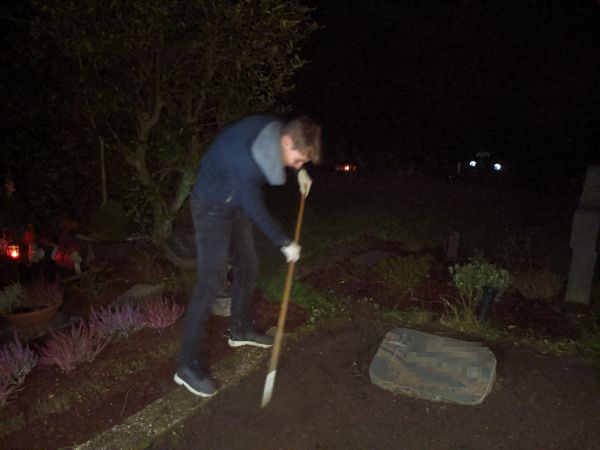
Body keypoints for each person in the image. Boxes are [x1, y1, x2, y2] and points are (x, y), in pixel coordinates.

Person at [174, 114, 321, 397]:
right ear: (287, 142)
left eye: (303, 162)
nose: (298, 164)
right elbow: (255, 206)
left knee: (249, 265)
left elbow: (250, 198)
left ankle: (239, 330)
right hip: (211, 206)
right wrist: (284, 243)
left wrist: (299, 172)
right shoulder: (246, 160)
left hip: (235, 202)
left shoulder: (275, 132)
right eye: (299, 160)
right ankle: (186, 366)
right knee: (210, 283)